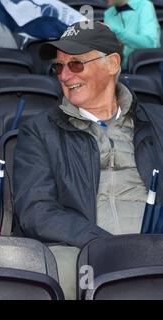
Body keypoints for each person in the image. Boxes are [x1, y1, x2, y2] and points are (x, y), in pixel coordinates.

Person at [13, 21, 163, 299]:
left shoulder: (157, 122)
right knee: (60, 269)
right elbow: (36, 210)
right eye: (59, 67)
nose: (65, 75)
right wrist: (102, 243)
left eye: (76, 64)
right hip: (82, 250)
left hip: (156, 244)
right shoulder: (40, 130)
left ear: (112, 64)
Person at [104, 0, 160, 69]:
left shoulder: (144, 5)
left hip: (145, 69)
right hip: (117, 70)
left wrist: (115, 31)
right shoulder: (108, 13)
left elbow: (150, 44)